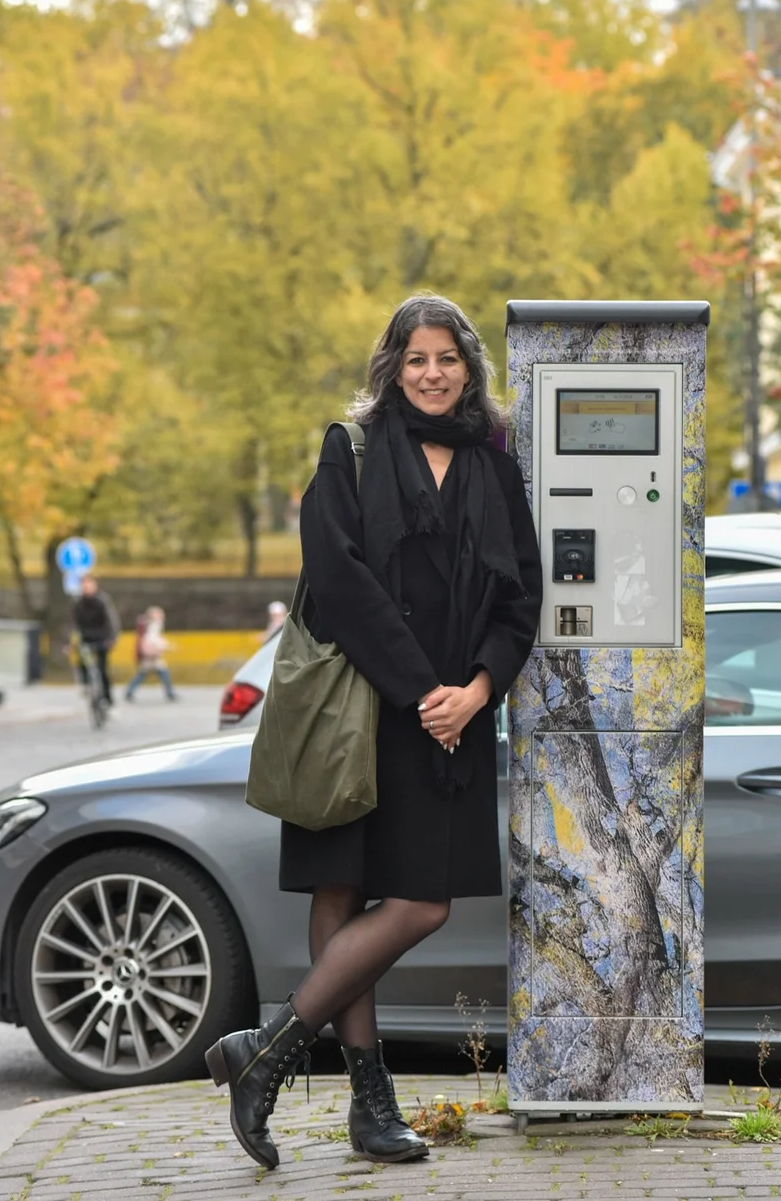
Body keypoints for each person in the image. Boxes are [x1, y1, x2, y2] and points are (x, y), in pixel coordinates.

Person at [206, 295, 542, 1172]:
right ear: (391, 366)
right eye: (416, 357)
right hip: (359, 714)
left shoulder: (496, 469)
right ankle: (369, 1102)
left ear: (471, 368)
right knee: (340, 895)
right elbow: (339, 580)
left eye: (448, 358)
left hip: (450, 725)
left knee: (421, 903)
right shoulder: (347, 452)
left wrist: (473, 692)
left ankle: (269, 1048)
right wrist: (420, 688)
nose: (432, 373)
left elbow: (521, 601)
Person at [71, 575, 119, 707]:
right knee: (82, 660)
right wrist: (69, 642)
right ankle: (86, 684)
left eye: (89, 585)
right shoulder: (78, 603)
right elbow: (73, 624)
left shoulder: (102, 601)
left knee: (103, 670)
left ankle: (108, 699)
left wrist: (112, 638)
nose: (86, 588)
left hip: (102, 637)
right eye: (84, 586)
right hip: (86, 637)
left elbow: (111, 621)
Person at [125, 606, 177, 701]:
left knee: (145, 674)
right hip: (152, 654)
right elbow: (153, 639)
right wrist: (167, 646)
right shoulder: (154, 625)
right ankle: (170, 693)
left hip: (150, 654)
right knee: (157, 673)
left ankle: (129, 692)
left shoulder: (148, 625)